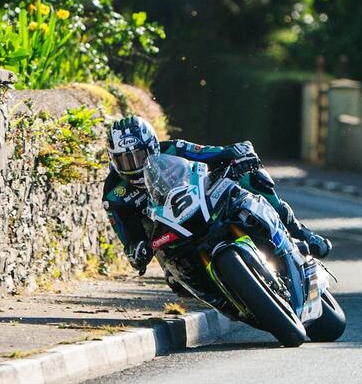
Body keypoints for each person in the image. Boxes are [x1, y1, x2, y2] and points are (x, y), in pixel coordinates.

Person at [102, 116, 332, 282]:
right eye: (125, 160)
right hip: (171, 239)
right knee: (177, 282)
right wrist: (137, 250)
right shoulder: (114, 194)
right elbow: (129, 236)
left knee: (253, 178)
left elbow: (214, 153)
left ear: (152, 147)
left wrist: (239, 153)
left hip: (201, 207)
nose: (135, 166)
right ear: (113, 160)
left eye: (139, 156)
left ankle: (299, 232)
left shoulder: (173, 148)